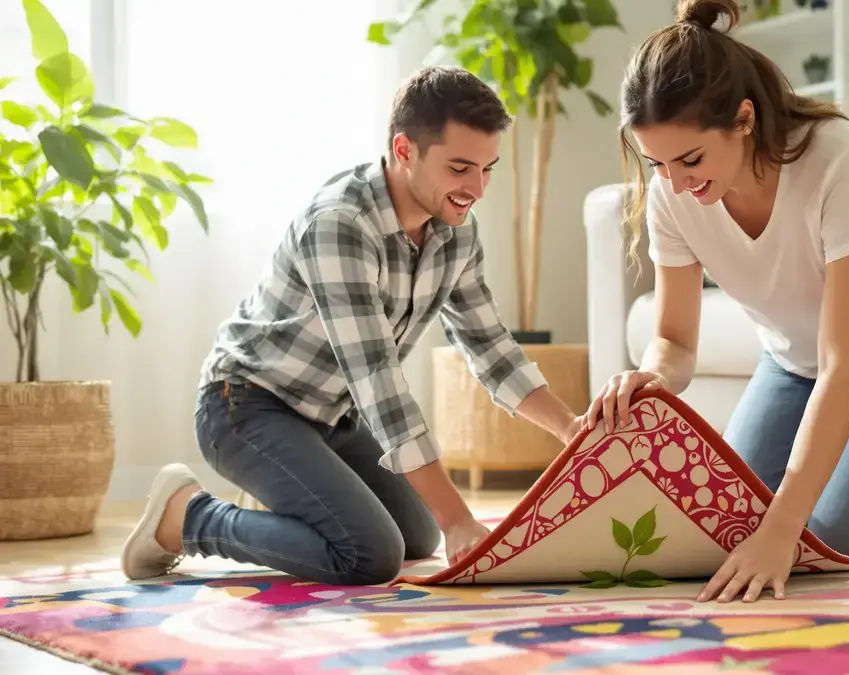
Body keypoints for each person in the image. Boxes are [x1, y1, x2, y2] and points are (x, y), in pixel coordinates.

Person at [122, 66, 583, 586]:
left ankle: (290, 497)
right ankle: (187, 518)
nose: (477, 188)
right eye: (460, 168)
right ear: (405, 150)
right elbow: (379, 383)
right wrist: (460, 519)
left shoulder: (456, 233)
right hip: (245, 406)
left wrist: (573, 431)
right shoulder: (340, 223)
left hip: (329, 417)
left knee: (420, 535)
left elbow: (490, 348)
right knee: (371, 555)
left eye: (487, 168)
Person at [585, 0, 849, 604]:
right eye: (658, 163)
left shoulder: (839, 159)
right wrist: (653, 375)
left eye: (691, 159)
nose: (677, 183)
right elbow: (677, 341)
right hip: (795, 366)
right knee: (727, 525)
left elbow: (846, 368)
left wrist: (782, 529)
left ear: (743, 120)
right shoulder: (672, 191)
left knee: (836, 536)